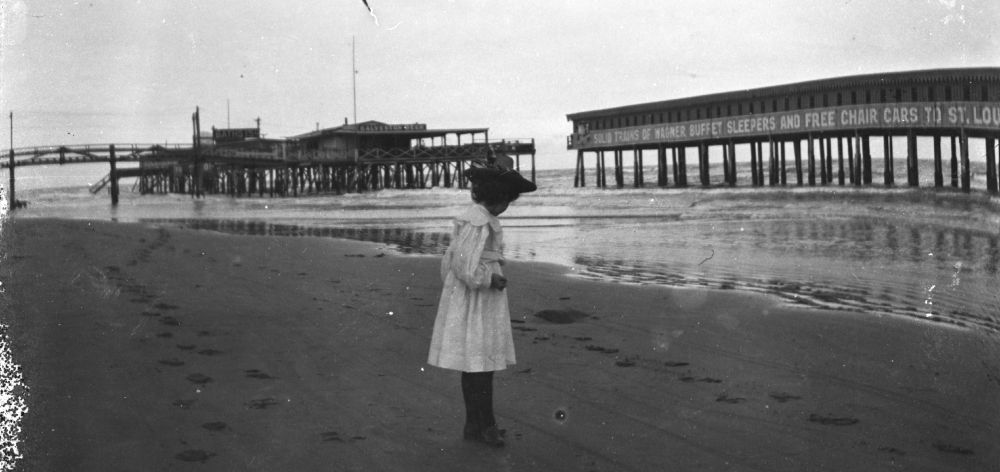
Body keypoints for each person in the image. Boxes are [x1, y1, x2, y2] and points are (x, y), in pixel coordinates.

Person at [427, 152, 537, 447]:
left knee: (475, 365)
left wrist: (487, 273)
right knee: (481, 366)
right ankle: (484, 425)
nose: (506, 208)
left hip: (474, 299)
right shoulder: (479, 222)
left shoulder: (477, 218)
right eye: (506, 202)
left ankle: (475, 424)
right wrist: (490, 278)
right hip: (477, 299)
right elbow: (463, 265)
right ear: (497, 198)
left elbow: (454, 263)